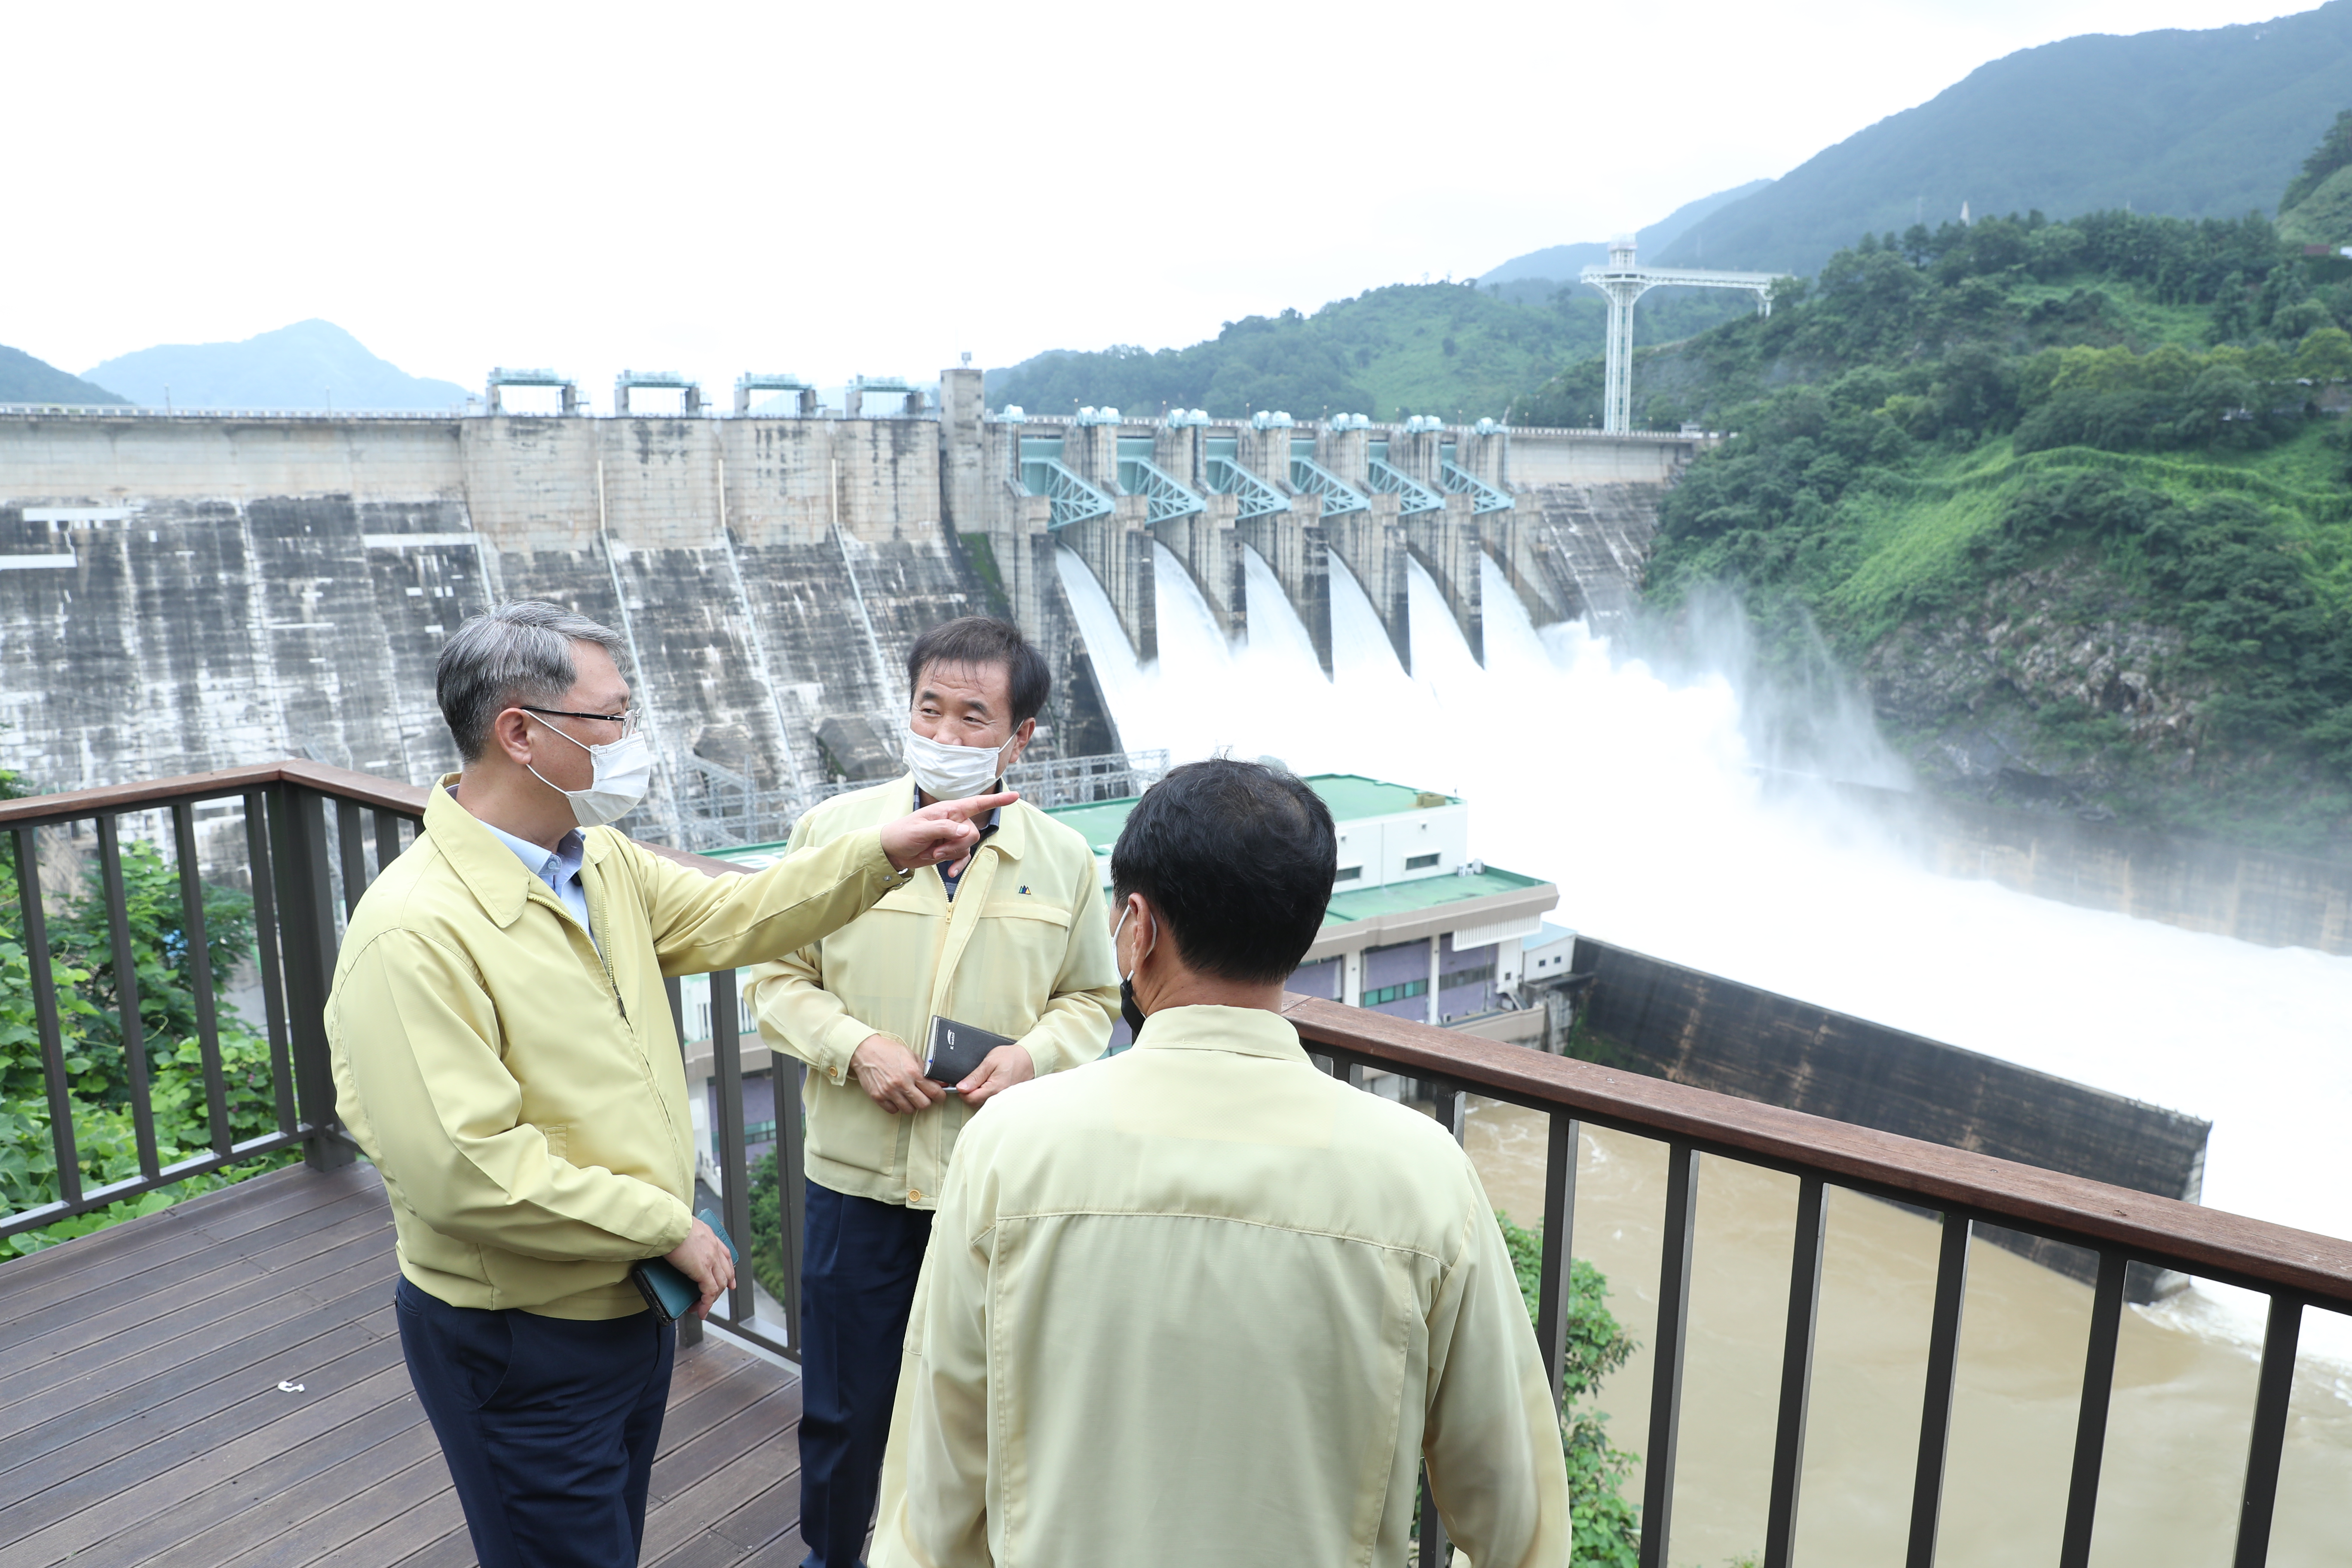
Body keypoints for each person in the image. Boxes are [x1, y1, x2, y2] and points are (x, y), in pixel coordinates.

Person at [327, 601, 1008, 1568]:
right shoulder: (415, 931)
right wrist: (665, 1226)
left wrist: (880, 852)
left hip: (623, 1303)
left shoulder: (594, 863)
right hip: (519, 1331)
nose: (633, 741)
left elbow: (740, 913)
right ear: (521, 733)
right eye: (612, 719)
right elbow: (466, 1170)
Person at [872, 759, 1572, 1568]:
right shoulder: (1422, 1173)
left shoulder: (1009, 1146)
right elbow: (1515, 1519)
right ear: (1301, 928)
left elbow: (933, 1498)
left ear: (1139, 928)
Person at [744, 616, 1118, 1568]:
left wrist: (1033, 1056)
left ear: (1020, 735)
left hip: (989, 1190)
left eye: (973, 718)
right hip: (854, 1184)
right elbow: (773, 976)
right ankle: (832, 1557)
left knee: (988, 1408)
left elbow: (1091, 997)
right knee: (841, 1408)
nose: (946, 738)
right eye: (930, 712)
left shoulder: (1064, 862)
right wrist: (856, 1047)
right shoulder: (836, 836)